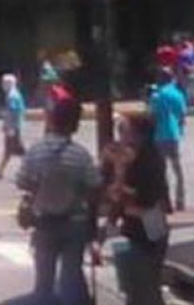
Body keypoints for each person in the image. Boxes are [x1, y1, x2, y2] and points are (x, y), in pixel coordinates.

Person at [16, 98, 101, 305]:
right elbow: (94, 186)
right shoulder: (80, 155)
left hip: (44, 221)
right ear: (75, 125)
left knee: (44, 282)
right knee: (71, 278)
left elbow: (22, 181)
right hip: (75, 222)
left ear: (52, 121)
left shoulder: (36, 151)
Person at [103, 114, 170, 305]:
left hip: (149, 230)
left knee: (146, 287)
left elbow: (146, 196)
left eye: (125, 131)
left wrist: (119, 183)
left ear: (139, 135)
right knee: (134, 286)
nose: (121, 136)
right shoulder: (128, 157)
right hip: (134, 228)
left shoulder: (150, 159)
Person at [148, 67, 187, 211]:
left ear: (161, 78)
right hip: (174, 134)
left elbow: (153, 115)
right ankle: (180, 200)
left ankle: (165, 201)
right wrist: (179, 129)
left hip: (160, 135)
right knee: (177, 169)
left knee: (161, 170)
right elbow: (182, 114)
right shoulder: (178, 94)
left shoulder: (157, 96)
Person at [0, 74, 27, 180]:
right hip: (14, 126)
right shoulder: (14, 94)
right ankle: (0, 171)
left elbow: (14, 111)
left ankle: (29, 170)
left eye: (5, 83)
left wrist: (10, 127)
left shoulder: (12, 96)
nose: (3, 85)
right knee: (12, 150)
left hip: (13, 127)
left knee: (14, 149)